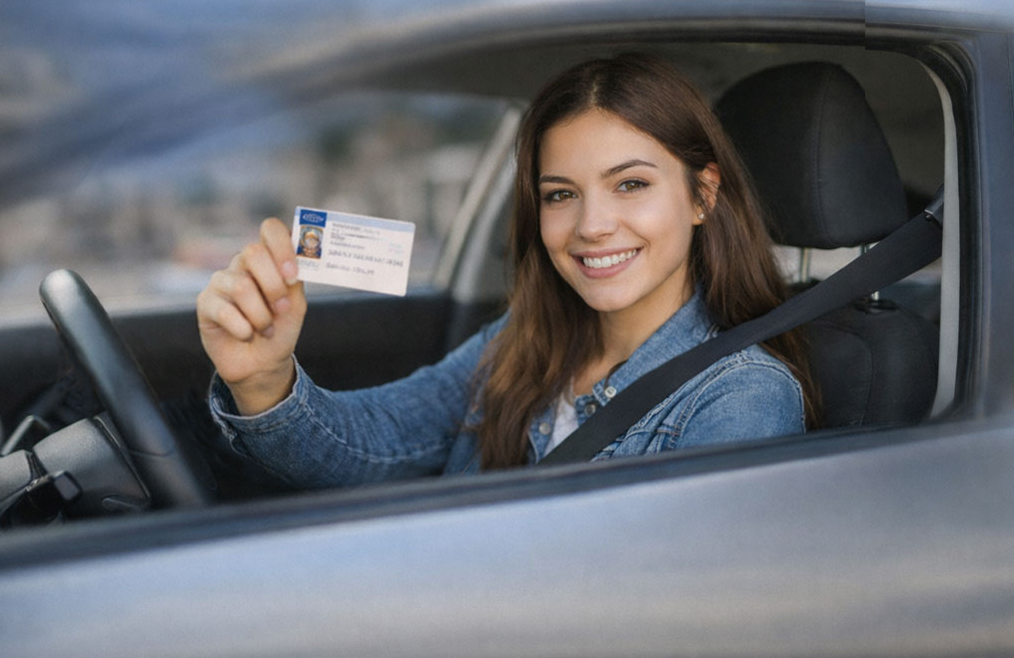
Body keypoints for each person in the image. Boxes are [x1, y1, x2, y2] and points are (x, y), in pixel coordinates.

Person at [196, 54, 816, 487]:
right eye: (559, 194)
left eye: (630, 184)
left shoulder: (742, 397)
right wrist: (263, 381)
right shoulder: (523, 338)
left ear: (702, 196)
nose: (592, 225)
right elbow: (373, 441)